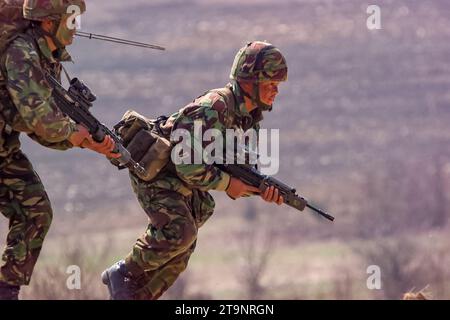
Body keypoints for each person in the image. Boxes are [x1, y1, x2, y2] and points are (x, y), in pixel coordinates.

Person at [102, 41, 287, 299]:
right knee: (181, 233)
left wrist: (261, 190)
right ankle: (122, 272)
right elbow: (186, 163)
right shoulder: (214, 107)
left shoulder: (248, 120)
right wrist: (227, 185)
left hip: (183, 181)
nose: (275, 91)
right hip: (159, 173)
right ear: (249, 81)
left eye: (277, 85)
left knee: (182, 250)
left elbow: (240, 172)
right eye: (270, 83)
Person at [0, 0, 119, 300]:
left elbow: (41, 130)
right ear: (49, 22)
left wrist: (85, 141)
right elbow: (39, 118)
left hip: (3, 149)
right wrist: (76, 135)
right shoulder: (21, 54)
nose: (76, 29)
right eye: (71, 21)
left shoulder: (46, 58)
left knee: (36, 212)